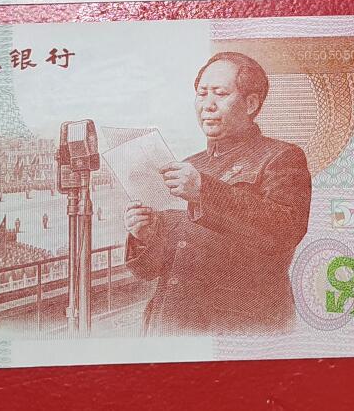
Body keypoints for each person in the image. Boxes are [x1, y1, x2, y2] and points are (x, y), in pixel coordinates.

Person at [123, 52, 311, 335]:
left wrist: (204, 191)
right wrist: (145, 235)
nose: (207, 105)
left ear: (251, 103)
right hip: (169, 325)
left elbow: (284, 229)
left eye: (220, 94)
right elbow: (150, 270)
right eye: (202, 94)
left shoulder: (281, 157)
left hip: (237, 328)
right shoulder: (191, 165)